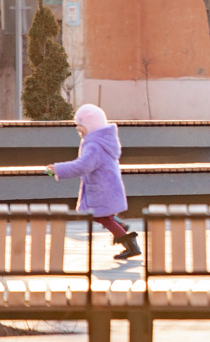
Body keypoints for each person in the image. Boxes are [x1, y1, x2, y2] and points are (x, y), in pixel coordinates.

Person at [46, 104, 141, 260]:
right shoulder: (101, 141)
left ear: (90, 125)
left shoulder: (94, 145)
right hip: (105, 186)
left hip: (102, 188)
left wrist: (58, 169)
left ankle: (130, 245)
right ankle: (121, 228)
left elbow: (82, 166)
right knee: (103, 216)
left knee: (102, 217)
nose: (78, 128)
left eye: (80, 125)